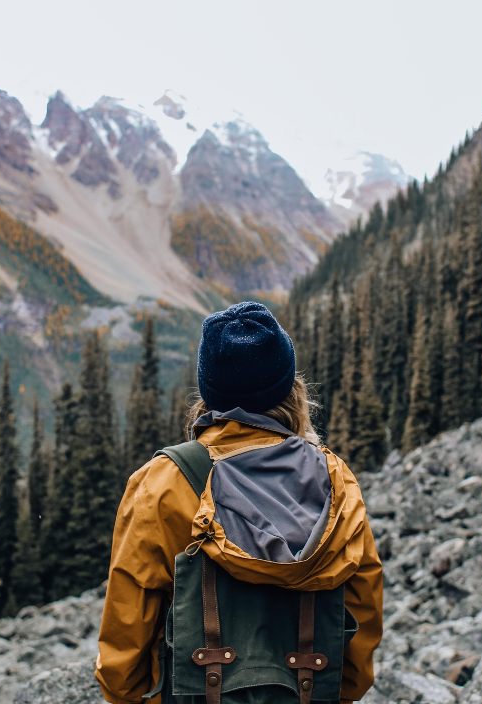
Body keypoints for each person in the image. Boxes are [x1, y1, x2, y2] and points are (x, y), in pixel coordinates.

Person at [96, 301, 383, 704]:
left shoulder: (161, 483)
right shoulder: (336, 481)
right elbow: (361, 609)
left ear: (208, 394)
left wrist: (127, 695)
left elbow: (127, 629)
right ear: (291, 390)